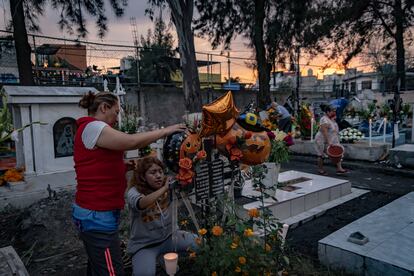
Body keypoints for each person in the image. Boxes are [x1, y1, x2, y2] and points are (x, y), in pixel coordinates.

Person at [72, 91, 185, 276]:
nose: (117, 118)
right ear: (103, 108)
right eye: (116, 112)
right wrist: (166, 130)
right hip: (96, 216)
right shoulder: (93, 126)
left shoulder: (91, 129)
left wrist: (121, 167)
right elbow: (131, 141)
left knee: (98, 266)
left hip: (95, 213)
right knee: (111, 271)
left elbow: (93, 165)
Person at [126, 156, 196, 276]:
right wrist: (164, 189)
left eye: (160, 171)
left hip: (170, 237)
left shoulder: (169, 185)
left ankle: (163, 257)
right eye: (153, 172)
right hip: (145, 245)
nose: (158, 176)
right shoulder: (134, 192)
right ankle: (157, 258)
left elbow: (188, 186)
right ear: (142, 176)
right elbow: (141, 204)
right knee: (144, 274)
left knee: (200, 244)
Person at [314, 104, 348, 176]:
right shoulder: (324, 119)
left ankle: (339, 168)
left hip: (333, 138)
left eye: (335, 111)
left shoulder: (332, 119)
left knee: (338, 153)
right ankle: (320, 169)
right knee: (321, 155)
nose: (334, 112)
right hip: (322, 139)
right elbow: (324, 132)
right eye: (332, 111)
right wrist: (328, 142)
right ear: (327, 112)